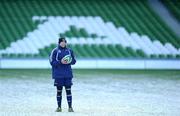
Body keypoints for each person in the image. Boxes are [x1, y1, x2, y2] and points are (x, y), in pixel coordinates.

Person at [49, 37, 76, 112]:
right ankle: (59, 107)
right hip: (58, 75)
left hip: (68, 74)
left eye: (65, 42)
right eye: (62, 42)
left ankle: (70, 107)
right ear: (59, 43)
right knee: (59, 91)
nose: (63, 43)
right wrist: (61, 61)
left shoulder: (70, 51)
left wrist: (69, 61)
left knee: (68, 90)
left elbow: (74, 61)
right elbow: (52, 62)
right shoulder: (55, 51)